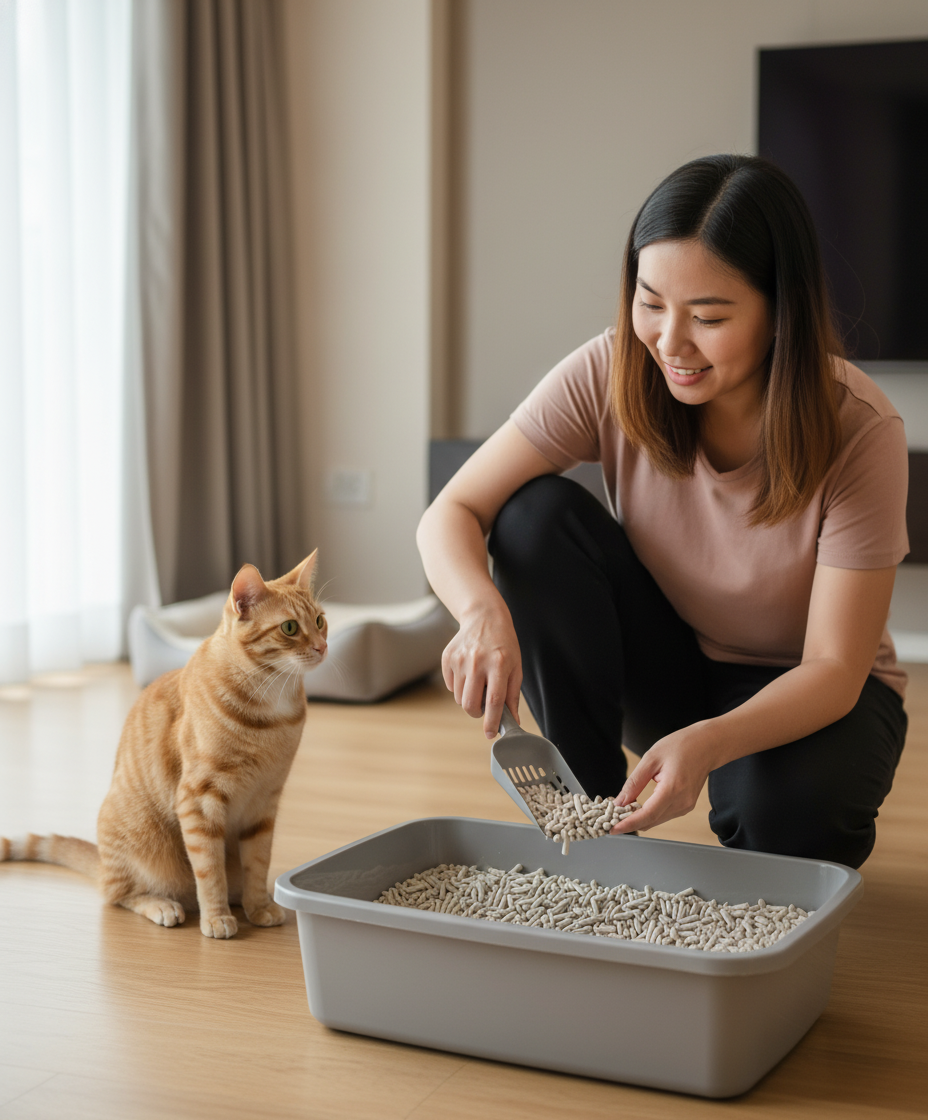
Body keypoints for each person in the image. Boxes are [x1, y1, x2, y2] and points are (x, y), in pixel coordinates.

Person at [416, 154, 909, 870]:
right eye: (651, 303)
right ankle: (588, 825)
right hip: (676, 661)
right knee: (532, 520)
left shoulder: (861, 428)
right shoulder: (611, 369)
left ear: (782, 311)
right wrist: (478, 611)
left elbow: (835, 666)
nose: (670, 344)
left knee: (787, 821)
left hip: (815, 689)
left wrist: (711, 743)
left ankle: (766, 815)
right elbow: (452, 510)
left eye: (708, 317)